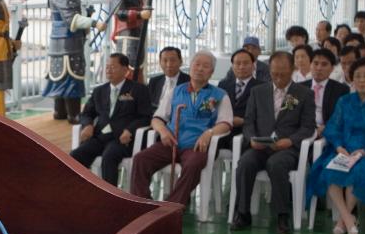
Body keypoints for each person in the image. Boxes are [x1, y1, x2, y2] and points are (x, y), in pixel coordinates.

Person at [305, 58, 365, 234]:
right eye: (357, 76)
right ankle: (348, 218)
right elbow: (332, 127)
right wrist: (339, 146)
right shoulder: (344, 101)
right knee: (328, 170)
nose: (362, 80)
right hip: (344, 150)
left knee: (359, 171)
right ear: (351, 79)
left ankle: (342, 221)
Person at [130, 50, 232, 207]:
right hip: (170, 142)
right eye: (197, 64)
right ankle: (142, 204)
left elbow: (225, 123)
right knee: (140, 160)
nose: (200, 69)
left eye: (205, 66)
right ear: (190, 67)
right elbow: (157, 118)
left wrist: (209, 133)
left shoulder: (219, 95)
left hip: (197, 146)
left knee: (193, 164)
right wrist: (163, 132)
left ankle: (173, 207)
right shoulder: (176, 90)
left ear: (211, 72)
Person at [230, 52, 316, 234]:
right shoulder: (258, 91)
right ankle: (243, 212)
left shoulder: (304, 94)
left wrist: (290, 141)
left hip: (288, 148)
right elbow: (249, 121)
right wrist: (252, 139)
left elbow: (308, 127)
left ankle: (282, 215)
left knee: (276, 164)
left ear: (292, 70)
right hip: (261, 145)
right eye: (274, 73)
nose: (278, 78)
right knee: (245, 163)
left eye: (283, 74)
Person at [71, 53, 153, 185]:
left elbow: (145, 116)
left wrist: (130, 130)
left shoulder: (138, 89)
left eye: (113, 67)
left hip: (122, 139)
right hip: (100, 137)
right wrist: (88, 125)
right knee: (76, 155)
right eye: (107, 67)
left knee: (109, 157)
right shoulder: (99, 91)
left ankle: (111, 198)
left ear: (125, 70)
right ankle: (79, 190)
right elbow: (86, 113)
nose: (108, 70)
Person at [43, 0, 103, 122]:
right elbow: (72, 20)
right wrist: (94, 22)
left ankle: (59, 112)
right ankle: (74, 115)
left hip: (59, 41)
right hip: (68, 42)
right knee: (71, 78)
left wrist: (88, 16)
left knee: (59, 78)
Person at [304, 48, 349, 137]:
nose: (319, 68)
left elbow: (341, 116)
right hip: (303, 130)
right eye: (315, 63)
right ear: (310, 65)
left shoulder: (341, 90)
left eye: (324, 64)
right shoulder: (299, 87)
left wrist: (327, 126)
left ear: (332, 68)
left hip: (326, 131)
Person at [218, 48, 257, 130]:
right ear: (232, 66)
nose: (242, 67)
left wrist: (244, 121)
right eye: (238, 63)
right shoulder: (223, 85)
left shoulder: (261, 87)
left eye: (246, 63)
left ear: (253, 66)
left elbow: (265, 117)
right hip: (223, 129)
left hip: (249, 131)